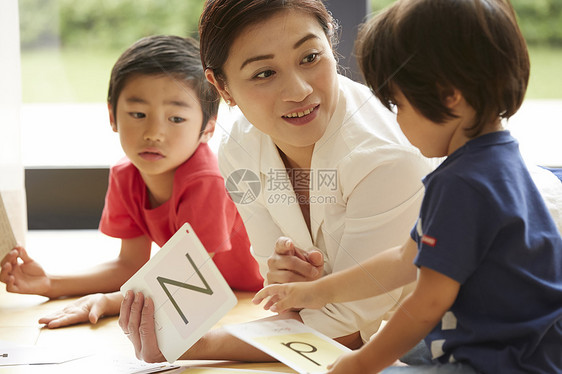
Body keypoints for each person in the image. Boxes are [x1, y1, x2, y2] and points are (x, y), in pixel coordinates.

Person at [119, 0, 437, 363]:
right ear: (221, 87)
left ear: (330, 46)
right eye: (264, 74)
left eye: (310, 57)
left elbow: (346, 329)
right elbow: (281, 295)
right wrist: (289, 282)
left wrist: (199, 344)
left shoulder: (386, 158)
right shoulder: (239, 146)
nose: (299, 90)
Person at [253, 0, 562, 373]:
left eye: (398, 103)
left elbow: (428, 301)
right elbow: (405, 259)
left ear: (449, 96)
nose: (396, 120)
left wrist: (360, 364)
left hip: (497, 361)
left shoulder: (462, 184)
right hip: (520, 348)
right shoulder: (498, 162)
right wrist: (316, 293)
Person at [0, 35, 263, 328]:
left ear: (207, 129)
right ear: (112, 116)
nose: (154, 132)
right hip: (213, 298)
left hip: (255, 297)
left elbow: (189, 278)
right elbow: (129, 265)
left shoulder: (208, 181)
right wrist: (50, 283)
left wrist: (111, 301)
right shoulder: (127, 174)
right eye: (138, 114)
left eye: (176, 119)